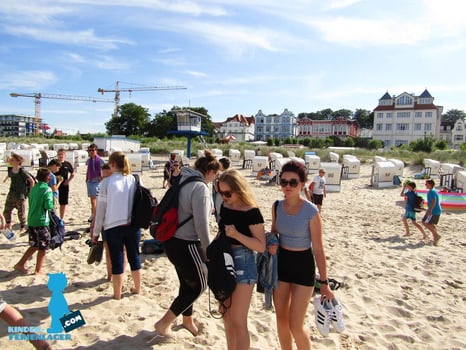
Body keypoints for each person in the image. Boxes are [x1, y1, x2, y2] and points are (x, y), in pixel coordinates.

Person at [154, 150, 221, 338]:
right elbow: (201, 224)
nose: (216, 178)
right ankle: (164, 323)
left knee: (186, 282)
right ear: (209, 171)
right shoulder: (200, 188)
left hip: (170, 239)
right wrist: (209, 250)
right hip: (187, 242)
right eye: (216, 174)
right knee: (199, 285)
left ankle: (187, 320)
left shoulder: (183, 177)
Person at [272, 160, 334, 350]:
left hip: (303, 267)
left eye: (293, 182)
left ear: (301, 184)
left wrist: (324, 283)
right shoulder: (276, 206)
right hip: (281, 265)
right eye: (284, 182)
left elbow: (318, 249)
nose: (287, 186)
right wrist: (270, 241)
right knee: (281, 319)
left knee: (295, 325)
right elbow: (274, 232)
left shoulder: (311, 211)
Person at [217, 168, 266, 350]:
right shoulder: (225, 206)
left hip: (244, 262)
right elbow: (222, 231)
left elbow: (260, 246)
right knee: (225, 314)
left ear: (239, 189)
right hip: (224, 259)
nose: (224, 197)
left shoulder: (251, 211)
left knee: (238, 319)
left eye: (228, 193)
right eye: (220, 192)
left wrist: (237, 235)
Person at [91, 152, 141, 300]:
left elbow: (100, 210)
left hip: (113, 226)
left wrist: (96, 231)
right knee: (134, 257)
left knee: (117, 260)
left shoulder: (106, 183)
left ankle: (117, 294)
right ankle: (137, 289)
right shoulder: (133, 179)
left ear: (112, 164)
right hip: (132, 225)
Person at [14, 168, 54, 275]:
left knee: (35, 245)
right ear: (48, 178)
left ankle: (20, 264)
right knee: (43, 246)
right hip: (41, 221)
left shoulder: (34, 188)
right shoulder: (47, 189)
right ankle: (38, 269)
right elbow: (48, 206)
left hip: (31, 220)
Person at [3, 153, 35, 231]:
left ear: (18, 161)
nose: (11, 161)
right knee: (6, 211)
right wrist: (6, 179)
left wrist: (30, 191)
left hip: (20, 195)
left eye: (13, 160)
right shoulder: (11, 169)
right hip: (11, 193)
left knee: (21, 213)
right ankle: (8, 225)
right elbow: (10, 174)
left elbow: (31, 181)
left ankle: (22, 227)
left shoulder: (22, 171)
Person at [86, 144, 105, 222]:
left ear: (96, 151)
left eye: (93, 150)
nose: (91, 152)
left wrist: (101, 178)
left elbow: (104, 170)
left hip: (96, 180)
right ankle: (93, 214)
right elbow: (88, 169)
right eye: (89, 150)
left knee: (94, 199)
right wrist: (86, 178)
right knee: (92, 199)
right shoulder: (89, 160)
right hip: (90, 180)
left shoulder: (100, 160)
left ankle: (94, 216)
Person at [54, 148, 75, 221]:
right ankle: (54, 217)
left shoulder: (67, 164)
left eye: (62, 154)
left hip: (64, 185)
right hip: (54, 185)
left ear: (65, 155)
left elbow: (73, 173)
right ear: (57, 155)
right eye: (59, 154)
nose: (61, 156)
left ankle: (61, 218)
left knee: (63, 202)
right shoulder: (54, 163)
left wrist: (68, 181)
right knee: (53, 202)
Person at [422, 179, 442, 246]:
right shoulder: (434, 191)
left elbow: (434, 201)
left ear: (430, 184)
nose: (425, 185)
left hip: (434, 211)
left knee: (424, 222)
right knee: (431, 224)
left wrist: (430, 210)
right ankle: (435, 238)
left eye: (426, 183)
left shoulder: (431, 192)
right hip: (437, 210)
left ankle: (437, 236)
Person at [212, 157, 231, 222]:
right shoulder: (228, 174)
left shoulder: (220, 175)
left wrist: (215, 179)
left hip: (220, 199)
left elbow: (217, 189)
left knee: (220, 217)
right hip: (225, 201)